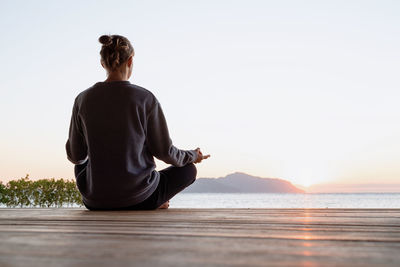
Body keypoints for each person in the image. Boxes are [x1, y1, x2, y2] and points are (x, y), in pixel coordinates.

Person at [65, 34, 209, 210]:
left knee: (83, 164)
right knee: (188, 170)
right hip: (140, 199)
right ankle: (158, 199)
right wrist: (193, 156)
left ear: (102, 64)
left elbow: (76, 156)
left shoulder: (82, 99)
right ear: (131, 61)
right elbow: (165, 152)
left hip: (95, 201)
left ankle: (150, 198)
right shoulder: (145, 98)